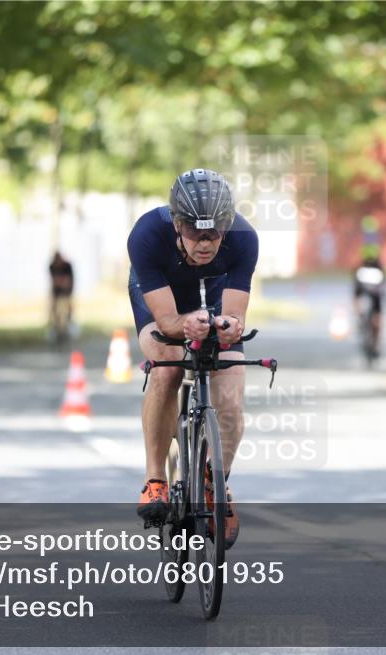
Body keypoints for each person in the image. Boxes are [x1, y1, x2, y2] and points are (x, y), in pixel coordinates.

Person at [128, 168, 258, 549]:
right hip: (162, 298)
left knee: (231, 398)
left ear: (227, 227)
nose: (205, 242)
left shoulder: (244, 238)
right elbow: (167, 322)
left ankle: (214, 481)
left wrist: (229, 327)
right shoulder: (147, 235)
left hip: (214, 296)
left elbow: (235, 316)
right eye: (194, 232)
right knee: (166, 370)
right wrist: (187, 324)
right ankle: (155, 480)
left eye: (215, 233)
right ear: (177, 225)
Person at [353, 249, 386, 358]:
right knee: (371, 315)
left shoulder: (377, 267)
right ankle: (362, 323)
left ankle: (376, 344)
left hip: (375, 295)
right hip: (367, 292)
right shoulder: (362, 268)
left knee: (377, 319)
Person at [48, 251, 74, 344]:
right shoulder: (52, 266)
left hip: (66, 294)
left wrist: (61, 282)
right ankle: (57, 333)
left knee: (66, 314)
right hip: (56, 294)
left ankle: (65, 333)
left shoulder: (67, 266)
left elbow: (66, 282)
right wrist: (61, 282)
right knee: (55, 314)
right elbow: (56, 281)